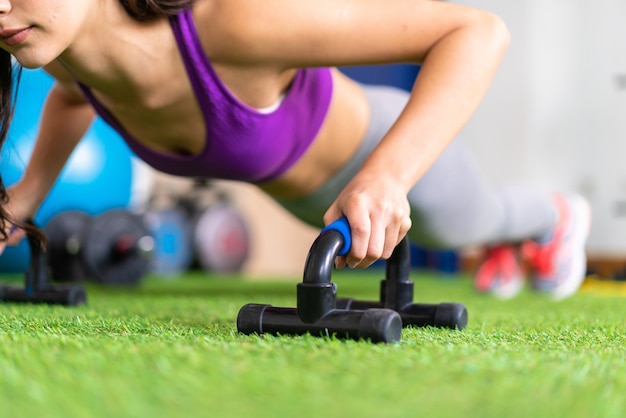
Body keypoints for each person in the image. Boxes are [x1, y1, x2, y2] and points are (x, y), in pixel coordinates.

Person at [0, 0, 590, 300]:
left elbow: (477, 32)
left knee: (470, 223)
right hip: (314, 203)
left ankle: (554, 216)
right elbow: (74, 99)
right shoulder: (69, 53)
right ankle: (505, 250)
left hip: (377, 153)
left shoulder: (234, 21)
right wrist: (23, 200)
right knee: (470, 230)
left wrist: (386, 177)